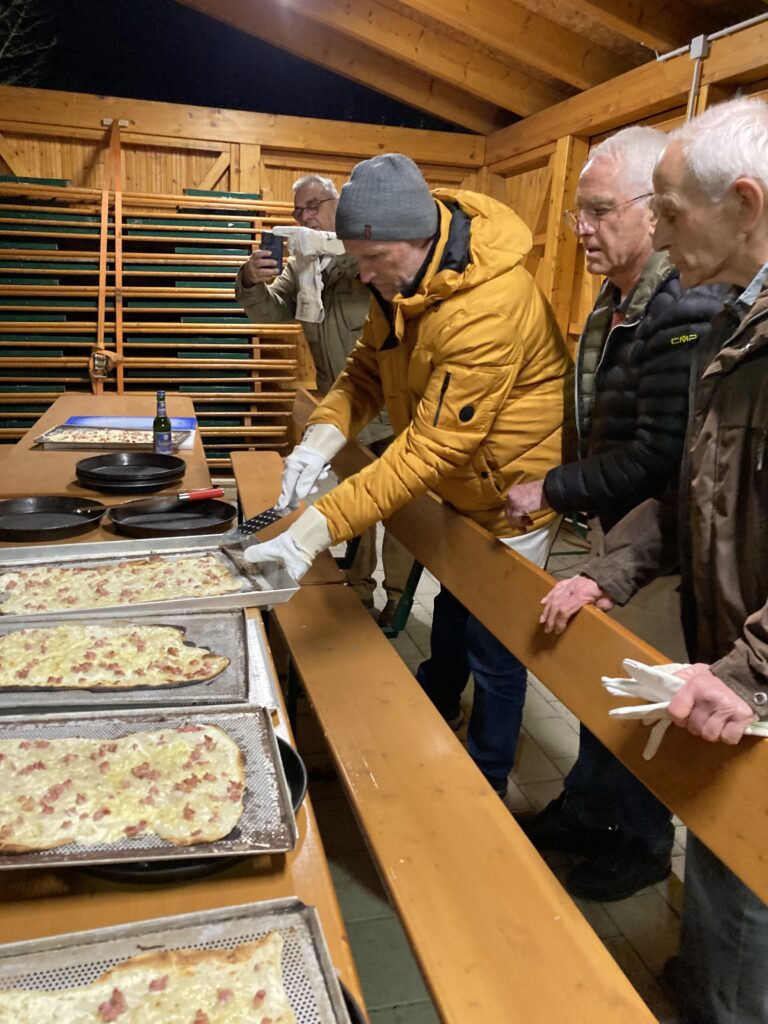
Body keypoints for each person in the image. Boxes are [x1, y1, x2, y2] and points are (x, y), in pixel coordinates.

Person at [540, 96, 768, 1024]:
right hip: (735, 672)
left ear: (745, 202)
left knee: (748, 890)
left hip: (754, 669)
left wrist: (751, 668)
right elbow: (697, 489)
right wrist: (613, 567)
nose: (659, 236)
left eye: (669, 212)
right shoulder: (733, 318)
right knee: (722, 873)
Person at [244, 153, 573, 796]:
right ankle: (438, 702)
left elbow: (428, 450)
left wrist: (315, 526)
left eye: (372, 259)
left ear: (416, 241)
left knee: (498, 634)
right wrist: (320, 438)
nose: (361, 274)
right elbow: (366, 371)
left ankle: (487, 778)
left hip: (513, 489)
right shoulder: (401, 279)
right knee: (455, 598)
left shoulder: (487, 306)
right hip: (465, 480)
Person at [505, 127, 724, 901]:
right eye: (578, 214)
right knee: (603, 677)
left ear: (652, 210)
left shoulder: (687, 300)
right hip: (618, 527)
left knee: (643, 691)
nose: (583, 231)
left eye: (600, 211)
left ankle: (637, 840)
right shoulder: (617, 296)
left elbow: (668, 455)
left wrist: (556, 488)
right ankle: (589, 805)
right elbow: (602, 415)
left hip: (660, 541)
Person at [235, 173, 412, 625]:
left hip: (391, 410)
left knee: (401, 513)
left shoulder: (364, 259)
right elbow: (271, 310)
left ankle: (397, 597)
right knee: (352, 505)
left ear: (341, 204)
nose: (306, 216)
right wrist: (251, 280)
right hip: (342, 406)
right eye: (298, 211)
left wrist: (349, 256)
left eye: (314, 206)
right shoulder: (302, 265)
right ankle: (358, 589)